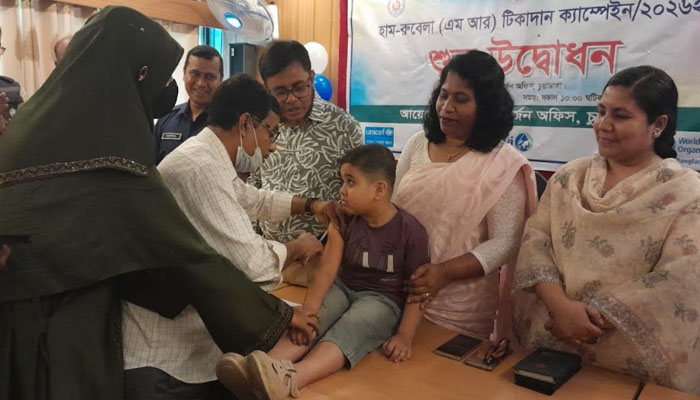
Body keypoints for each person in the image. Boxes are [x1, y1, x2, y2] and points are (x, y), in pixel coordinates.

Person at [0, 7, 316, 400]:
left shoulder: (32, 127)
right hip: (61, 329)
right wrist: (277, 315)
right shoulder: (113, 153)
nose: (169, 91)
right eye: (165, 78)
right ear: (138, 73)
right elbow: (185, 253)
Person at [123, 74, 349, 399]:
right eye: (271, 132)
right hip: (163, 355)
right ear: (245, 124)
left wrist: (312, 205)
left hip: (190, 324)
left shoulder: (206, 156)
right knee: (306, 324)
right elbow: (253, 264)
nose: (272, 146)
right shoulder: (200, 168)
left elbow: (252, 199)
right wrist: (298, 248)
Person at [512, 66, 700, 395]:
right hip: (553, 343)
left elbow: (680, 277)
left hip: (631, 363)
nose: (603, 125)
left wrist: (587, 321)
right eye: (601, 112)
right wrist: (561, 308)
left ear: (658, 125)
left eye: (621, 116)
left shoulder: (685, 193)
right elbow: (536, 241)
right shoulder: (570, 177)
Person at [216, 145, 431, 400]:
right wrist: (308, 312)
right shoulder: (342, 220)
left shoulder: (411, 231)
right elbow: (327, 270)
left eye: (350, 182)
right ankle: (262, 367)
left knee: (351, 327)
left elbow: (419, 289)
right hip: (343, 287)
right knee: (315, 319)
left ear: (379, 190)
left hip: (382, 299)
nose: (342, 191)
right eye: (342, 181)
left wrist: (405, 335)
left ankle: (292, 378)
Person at [395, 50, 538, 340]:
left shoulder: (502, 164)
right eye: (443, 95)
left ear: (485, 107)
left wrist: (445, 272)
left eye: (461, 99)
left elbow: (506, 243)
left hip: (460, 306)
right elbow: (393, 209)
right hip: (399, 289)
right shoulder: (417, 144)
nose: (447, 107)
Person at [253, 40, 363, 245]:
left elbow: (359, 198)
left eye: (299, 87)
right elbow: (252, 186)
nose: (291, 99)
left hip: (324, 254)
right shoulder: (260, 126)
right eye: (280, 92)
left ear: (311, 78)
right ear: (267, 89)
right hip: (268, 251)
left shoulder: (344, 128)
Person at [154, 45, 223, 163]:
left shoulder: (227, 124)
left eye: (209, 77)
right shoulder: (166, 118)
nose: (201, 83)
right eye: (195, 74)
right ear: (184, 73)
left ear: (221, 80)